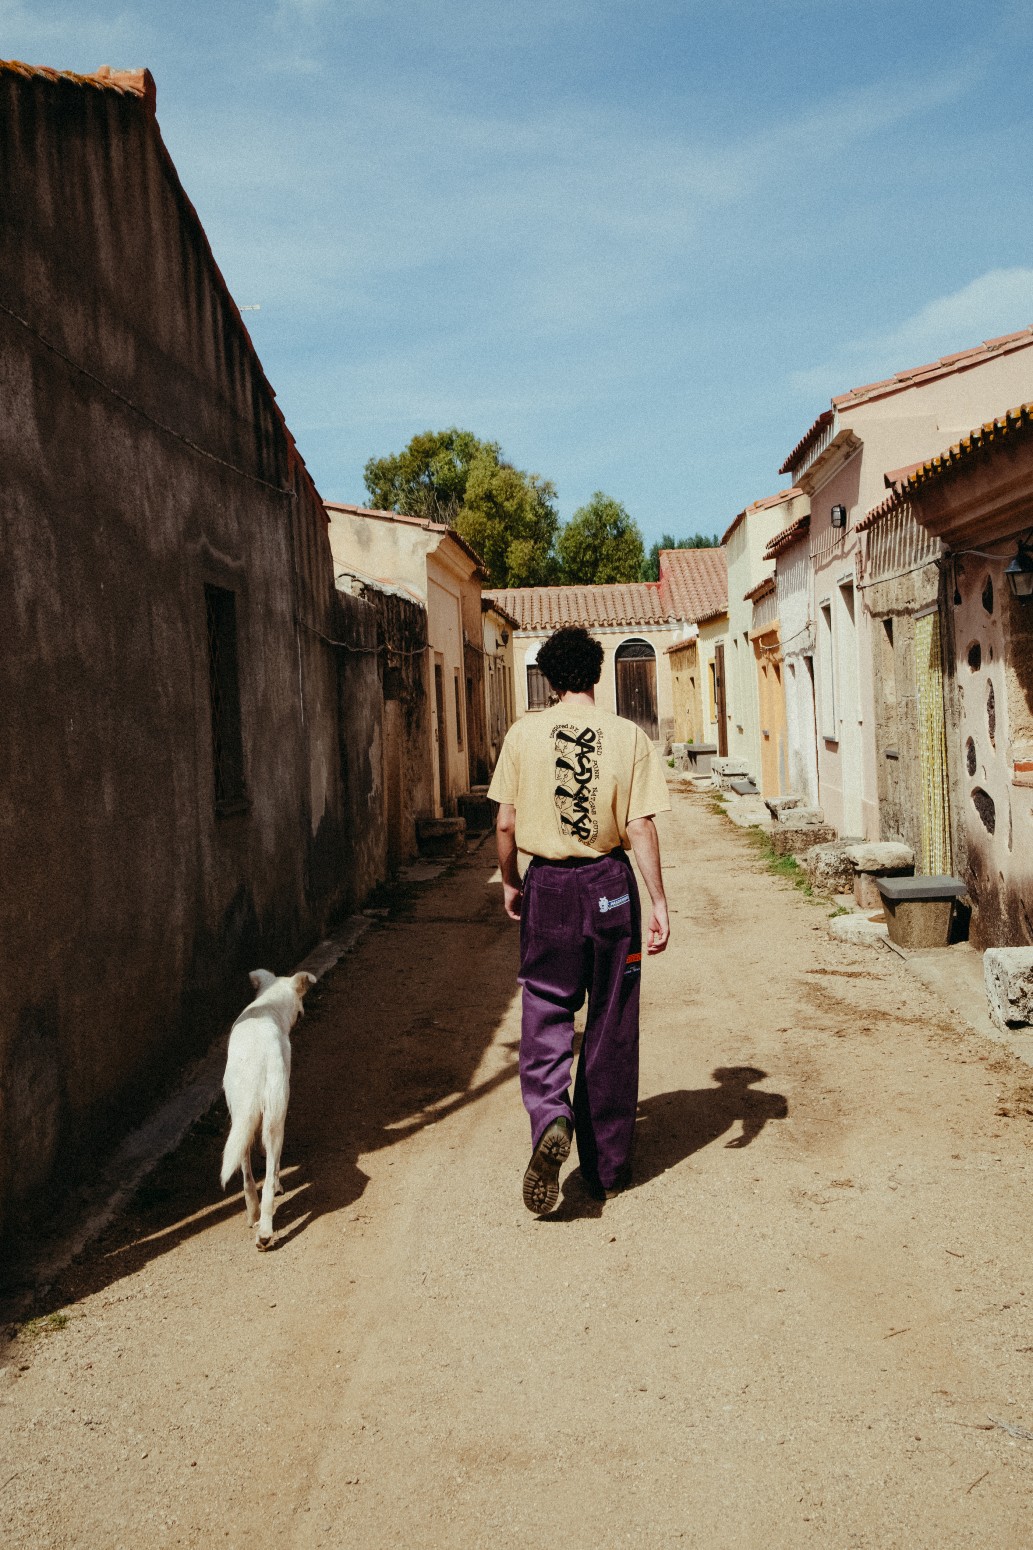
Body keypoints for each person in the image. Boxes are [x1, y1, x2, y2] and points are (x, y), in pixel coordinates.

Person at [486, 625, 671, 1213]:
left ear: (549, 677)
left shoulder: (522, 735)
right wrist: (659, 902)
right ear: (594, 673)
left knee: (545, 1008)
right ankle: (608, 1167)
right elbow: (640, 826)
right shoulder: (627, 737)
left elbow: (506, 825)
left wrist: (512, 881)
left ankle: (549, 1116)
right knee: (612, 1023)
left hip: (550, 889)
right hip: (610, 887)